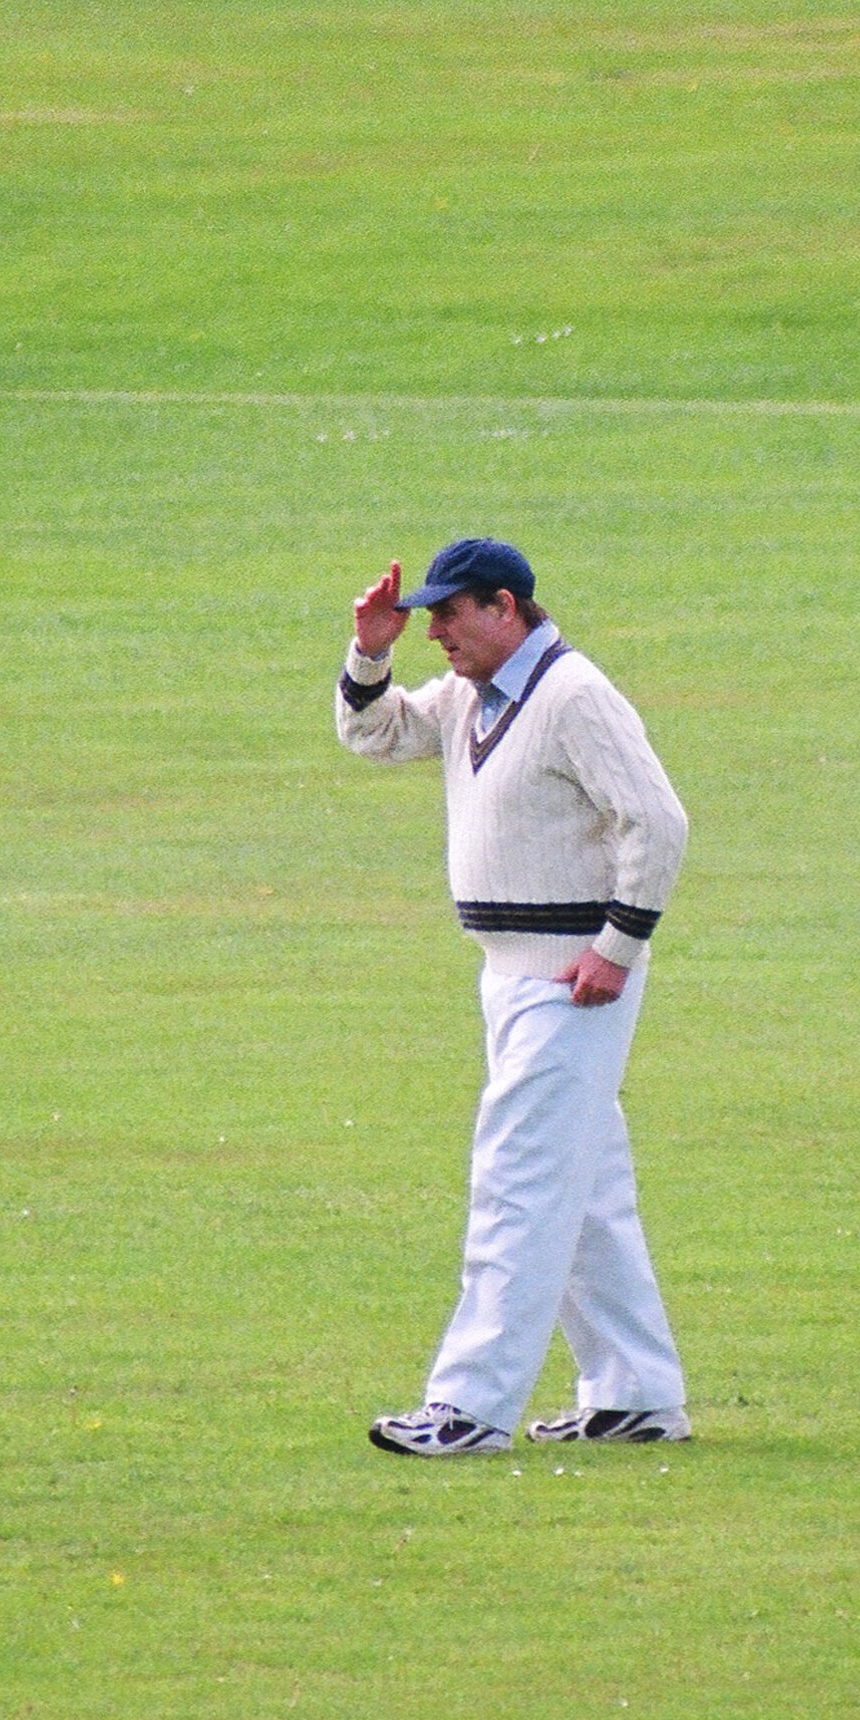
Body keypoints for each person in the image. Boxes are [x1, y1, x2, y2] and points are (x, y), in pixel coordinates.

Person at [335, 538, 694, 1457]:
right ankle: (635, 1393)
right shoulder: (467, 695)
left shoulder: (573, 695)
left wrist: (617, 945)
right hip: (509, 970)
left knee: (518, 1185)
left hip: (574, 976)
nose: (436, 632)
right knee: (585, 1189)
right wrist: (369, 651)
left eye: (449, 614)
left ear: (506, 607)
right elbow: (373, 734)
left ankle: (469, 1407)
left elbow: (656, 820)